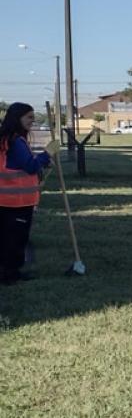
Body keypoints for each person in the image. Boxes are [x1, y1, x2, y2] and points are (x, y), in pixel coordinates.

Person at [1, 103, 52, 285]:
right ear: (18, 118)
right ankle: (10, 275)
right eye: (29, 117)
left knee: (6, 238)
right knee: (15, 239)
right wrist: (47, 155)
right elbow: (30, 165)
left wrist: (43, 163)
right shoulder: (16, 142)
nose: (33, 121)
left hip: (6, 200)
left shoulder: (6, 139)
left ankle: (8, 271)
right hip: (17, 201)